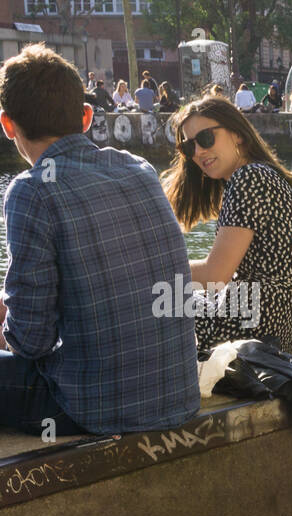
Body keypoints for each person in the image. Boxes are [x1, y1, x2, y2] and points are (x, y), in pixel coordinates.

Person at [0, 44, 198, 435]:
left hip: (97, 408)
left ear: (8, 125)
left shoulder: (31, 191)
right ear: (86, 116)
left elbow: (32, 342)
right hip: (179, 394)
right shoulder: (139, 169)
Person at [162, 95, 292, 350]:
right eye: (190, 147)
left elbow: (215, 275)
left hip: (258, 321)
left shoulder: (249, 178)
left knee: (146, 303)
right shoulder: (260, 175)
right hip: (278, 320)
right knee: (166, 298)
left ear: (238, 134)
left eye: (206, 139)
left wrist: (153, 272)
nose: (198, 152)